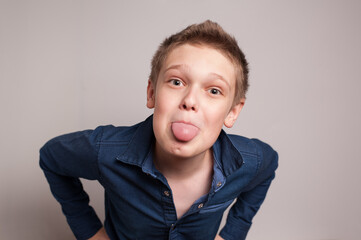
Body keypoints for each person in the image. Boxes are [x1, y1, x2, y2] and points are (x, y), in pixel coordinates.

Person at [40, 20, 278, 240]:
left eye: (213, 90)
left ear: (232, 112)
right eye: (177, 82)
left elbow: (269, 165)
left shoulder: (250, 160)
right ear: (152, 93)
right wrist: (91, 233)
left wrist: (231, 234)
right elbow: (51, 156)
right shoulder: (105, 150)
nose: (190, 100)